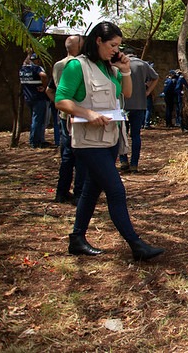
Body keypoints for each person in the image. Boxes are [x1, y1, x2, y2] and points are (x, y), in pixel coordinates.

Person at [55, 21, 164, 261]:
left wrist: (125, 70)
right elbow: (61, 100)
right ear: (98, 41)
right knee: (116, 190)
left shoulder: (109, 67)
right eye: (112, 45)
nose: (116, 50)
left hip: (110, 138)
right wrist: (88, 114)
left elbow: (125, 94)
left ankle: (77, 239)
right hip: (89, 142)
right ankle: (136, 245)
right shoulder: (77, 66)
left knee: (92, 190)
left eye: (119, 46)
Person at [46, 35, 86, 204]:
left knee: (67, 154)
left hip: (64, 116)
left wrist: (59, 104)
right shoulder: (79, 65)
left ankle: (61, 192)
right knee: (81, 155)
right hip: (77, 115)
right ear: (78, 47)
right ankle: (79, 194)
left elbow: (50, 90)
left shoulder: (58, 65)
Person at [118, 48, 158, 173]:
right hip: (139, 105)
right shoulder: (143, 64)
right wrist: (147, 92)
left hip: (123, 105)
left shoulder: (119, 64)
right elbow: (155, 78)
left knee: (121, 134)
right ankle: (134, 164)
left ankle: (123, 160)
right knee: (136, 135)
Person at [19, 52, 50, 148]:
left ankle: (37, 140)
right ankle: (34, 142)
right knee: (38, 120)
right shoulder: (36, 68)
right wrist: (45, 87)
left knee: (34, 119)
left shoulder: (22, 70)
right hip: (38, 97)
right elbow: (44, 76)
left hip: (28, 97)